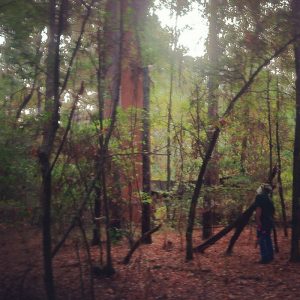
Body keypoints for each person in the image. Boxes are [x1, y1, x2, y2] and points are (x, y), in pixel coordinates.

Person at [254, 183, 275, 264]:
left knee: (262, 239)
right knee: (268, 238)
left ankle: (265, 258)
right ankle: (270, 256)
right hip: (269, 222)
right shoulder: (269, 199)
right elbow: (272, 212)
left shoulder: (259, 197)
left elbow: (258, 210)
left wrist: (258, 222)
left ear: (263, 190)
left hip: (263, 222)